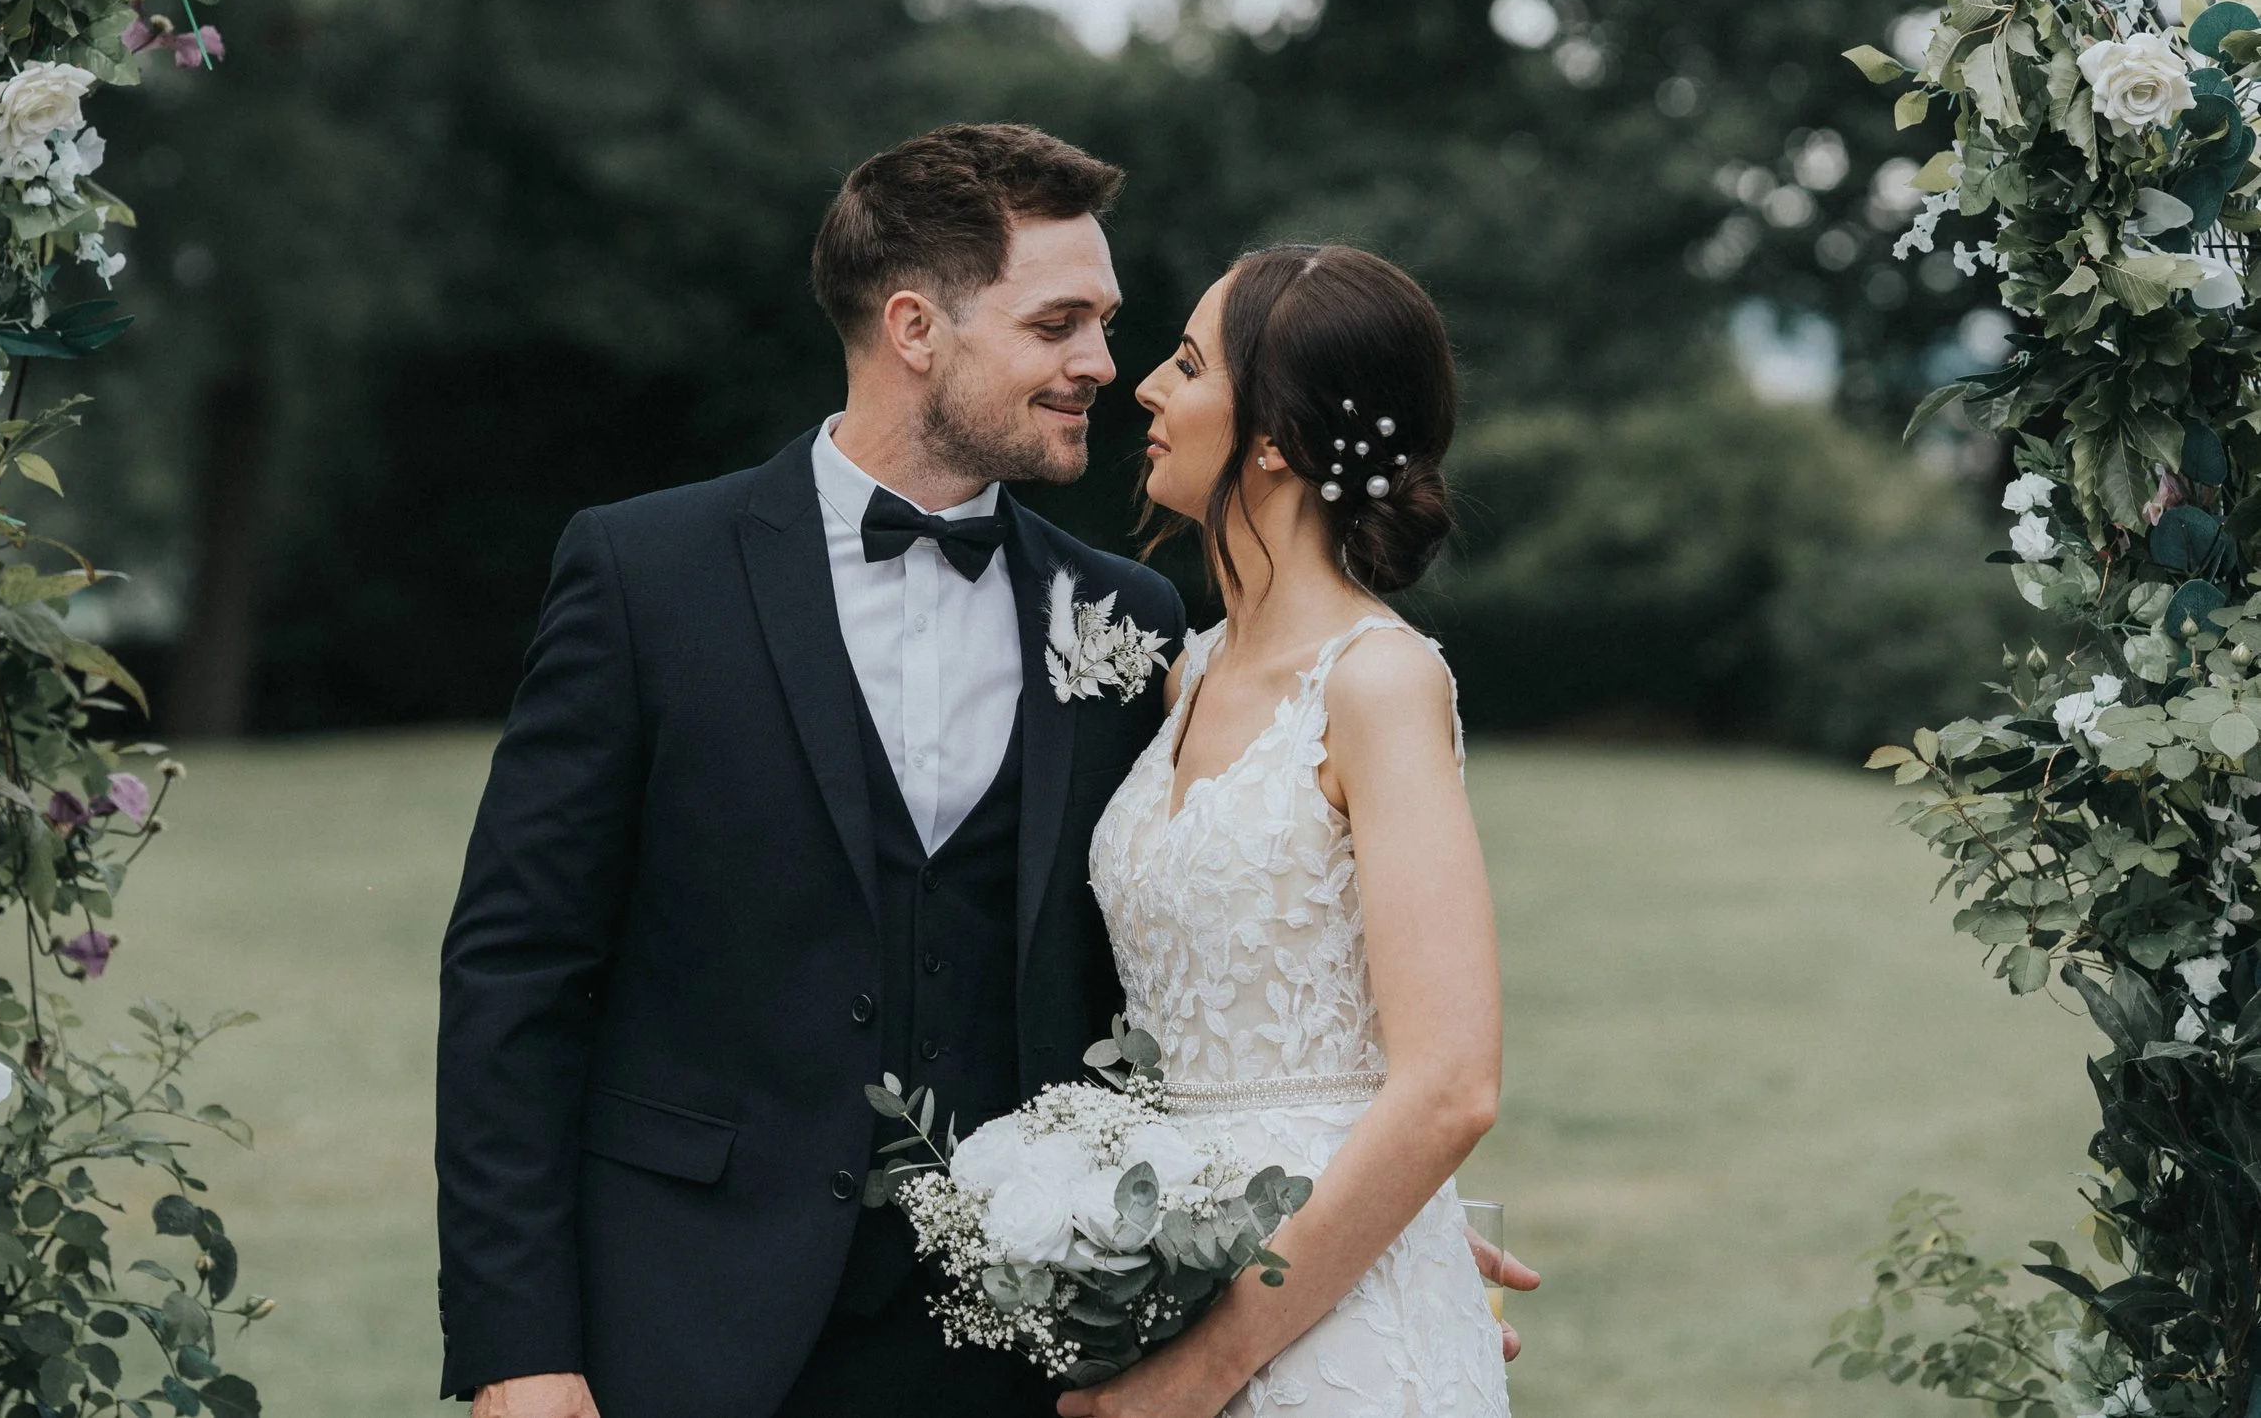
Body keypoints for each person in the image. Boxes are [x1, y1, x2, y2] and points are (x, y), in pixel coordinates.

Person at [437, 126, 1532, 1418]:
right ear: (915, 326)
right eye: (1059, 322)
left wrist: (1355, 1234)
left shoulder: (1128, 630)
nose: (1104, 367)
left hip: (1014, 1352)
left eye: (1118, 326)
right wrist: (519, 1344)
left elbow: (1209, 973)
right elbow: (516, 975)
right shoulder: (644, 577)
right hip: (690, 1317)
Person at [1063, 244, 1512, 1418]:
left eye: (1186, 362)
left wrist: (1201, 1374)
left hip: (1327, 1333)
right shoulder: (1184, 673)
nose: (1146, 388)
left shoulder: (1380, 683)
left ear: (1272, 436)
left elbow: (1451, 1085)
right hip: (1174, 1269)